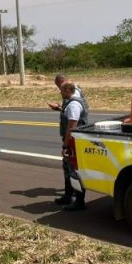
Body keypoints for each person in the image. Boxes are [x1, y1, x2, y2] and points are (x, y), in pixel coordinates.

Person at [57, 81, 88, 211]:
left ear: (68, 91)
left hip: (73, 143)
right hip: (73, 142)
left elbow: (71, 126)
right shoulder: (73, 102)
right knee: (68, 169)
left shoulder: (74, 105)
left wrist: (65, 146)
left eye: (62, 91)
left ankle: (79, 201)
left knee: (74, 171)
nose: (60, 93)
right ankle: (68, 196)